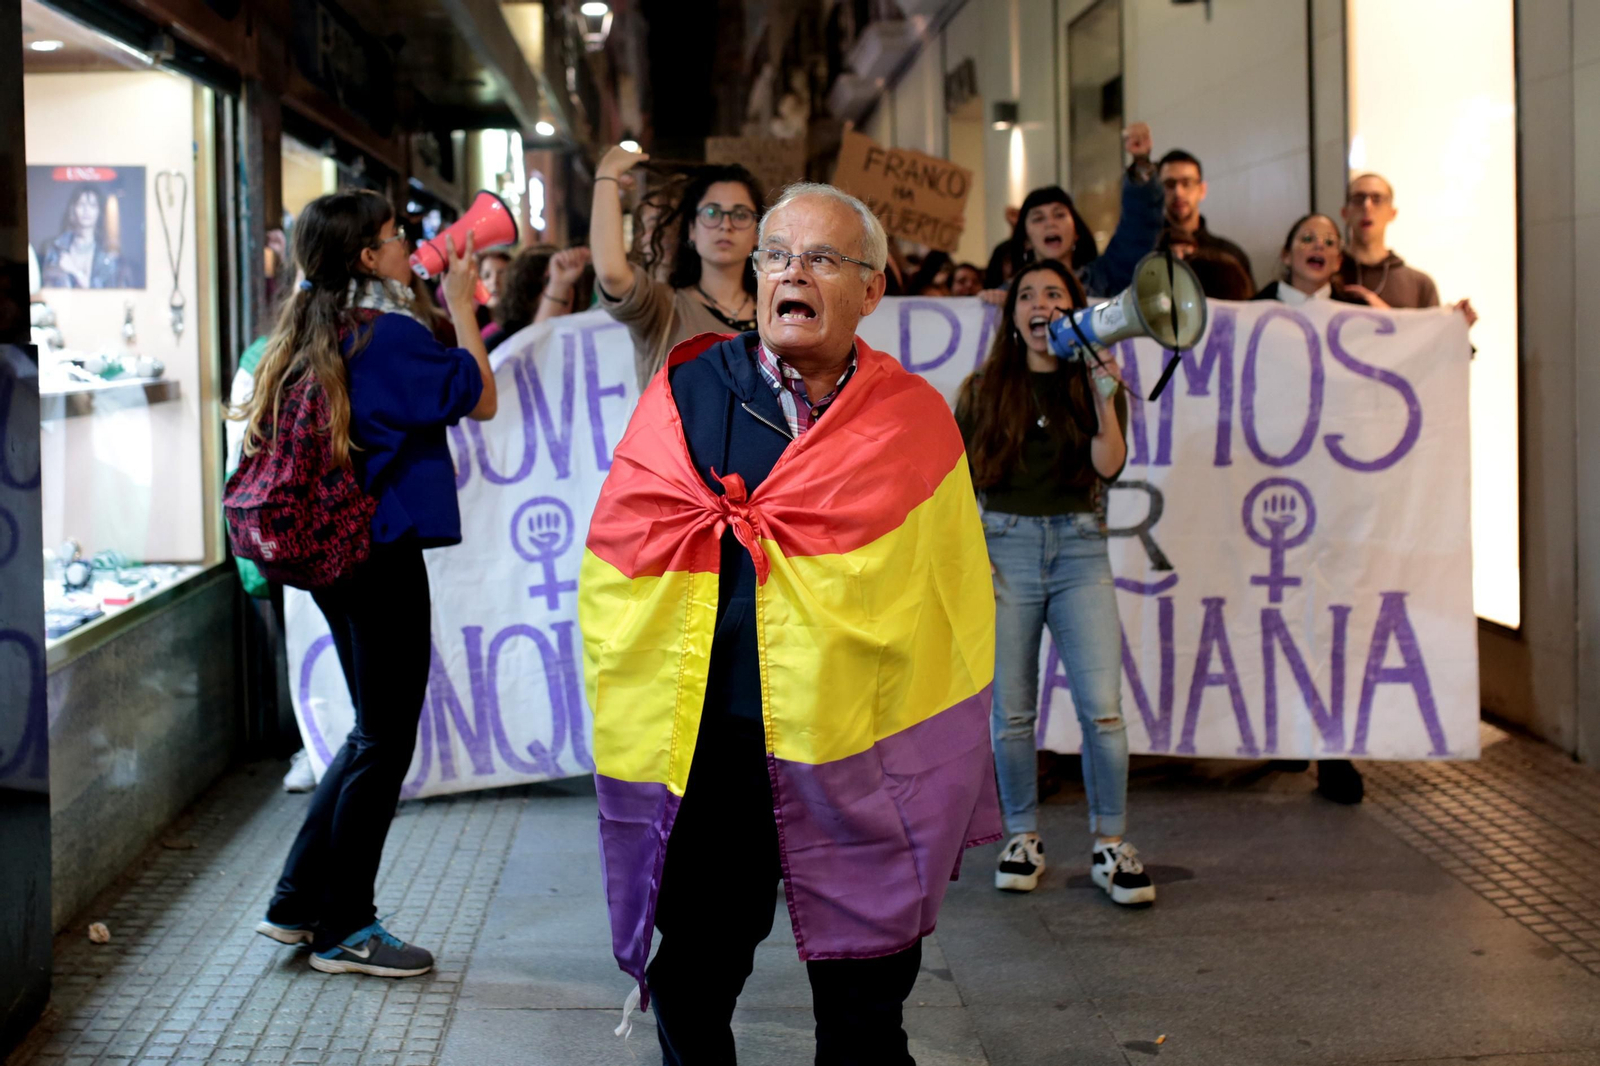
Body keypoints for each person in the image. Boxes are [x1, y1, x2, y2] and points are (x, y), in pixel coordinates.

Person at [581, 182, 1000, 1064]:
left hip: (862, 749)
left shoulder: (912, 419)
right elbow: (627, 540)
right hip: (719, 742)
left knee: (866, 1004)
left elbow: (946, 593)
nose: (792, 273)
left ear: (871, 289)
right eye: (777, 255)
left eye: (822, 258)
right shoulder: (690, 387)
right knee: (696, 976)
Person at [243, 189, 497, 976]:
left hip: (329, 559)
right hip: (379, 556)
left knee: (367, 732)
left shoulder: (302, 334)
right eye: (394, 240)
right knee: (385, 740)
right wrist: (459, 302)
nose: (405, 247)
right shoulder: (386, 338)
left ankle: (295, 905)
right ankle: (344, 927)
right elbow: (480, 396)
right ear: (366, 259)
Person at [955, 259, 1155, 907]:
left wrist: (1103, 393)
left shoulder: (1092, 383)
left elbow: (1110, 465)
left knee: (1102, 707)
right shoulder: (983, 389)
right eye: (1028, 295)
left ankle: (1111, 843)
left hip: (1079, 548)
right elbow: (956, 486)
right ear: (1013, 316)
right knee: (1012, 712)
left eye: (1055, 294)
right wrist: (970, 555)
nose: (1041, 303)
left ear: (1073, 311)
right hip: (1004, 548)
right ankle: (1021, 836)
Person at [592, 146, 764, 387]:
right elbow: (611, 274)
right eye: (712, 212)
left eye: (741, 214)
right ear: (692, 229)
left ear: (758, 234)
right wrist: (607, 174)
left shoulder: (775, 314)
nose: (726, 225)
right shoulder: (663, 308)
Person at [982, 122, 1164, 303]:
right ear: (1026, 241)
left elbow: (1137, 228)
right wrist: (987, 302)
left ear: (1076, 232)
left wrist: (1141, 164)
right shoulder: (1010, 294)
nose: (1050, 223)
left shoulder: (1105, 276)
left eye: (1059, 215)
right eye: (1038, 218)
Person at [1340, 173, 1477, 323]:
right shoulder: (1327, 277)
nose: (1367, 206)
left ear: (1392, 213)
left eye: (1377, 199)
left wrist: (1455, 327)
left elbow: (1430, 342)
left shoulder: (1420, 285)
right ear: (1345, 213)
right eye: (1358, 199)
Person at [1158, 149, 1253, 283]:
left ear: (1202, 190)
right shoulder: (1145, 253)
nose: (1178, 192)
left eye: (1187, 183)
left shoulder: (1230, 256)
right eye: (1169, 184)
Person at [1252, 214, 1385, 307]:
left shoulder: (1358, 312)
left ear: (1338, 262)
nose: (1319, 246)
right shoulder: (1252, 309)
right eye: (1308, 239)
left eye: (1329, 242)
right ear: (1286, 255)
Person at [485, 245, 592, 353]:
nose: (563, 291)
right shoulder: (498, 346)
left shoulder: (583, 339)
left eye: (570, 280)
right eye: (548, 282)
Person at [39, 184, 133, 289]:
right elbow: (48, 289)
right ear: (73, 209)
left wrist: (75, 271)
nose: (86, 210)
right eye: (81, 204)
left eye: (92, 205)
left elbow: (110, 296)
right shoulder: (55, 249)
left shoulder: (108, 254)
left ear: (99, 212)